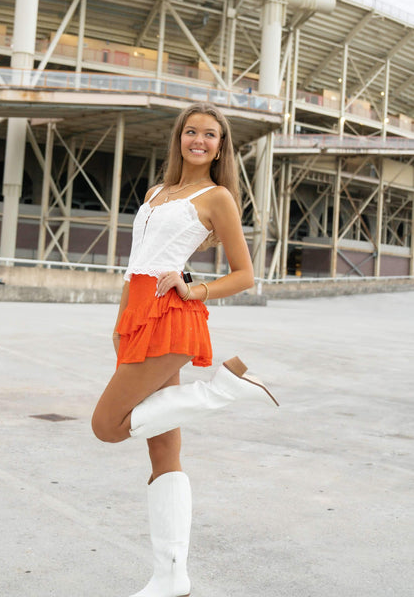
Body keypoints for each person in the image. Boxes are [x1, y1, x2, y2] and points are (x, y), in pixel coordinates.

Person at [91, 102, 278, 597]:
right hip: (138, 315)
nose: (199, 140)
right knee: (164, 449)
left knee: (107, 426)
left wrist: (193, 288)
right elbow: (137, 265)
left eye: (210, 135)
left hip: (173, 317)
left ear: (221, 146)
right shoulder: (156, 192)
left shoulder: (218, 197)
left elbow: (245, 275)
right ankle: (171, 577)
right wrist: (118, 322)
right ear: (179, 138)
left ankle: (224, 389)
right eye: (191, 132)